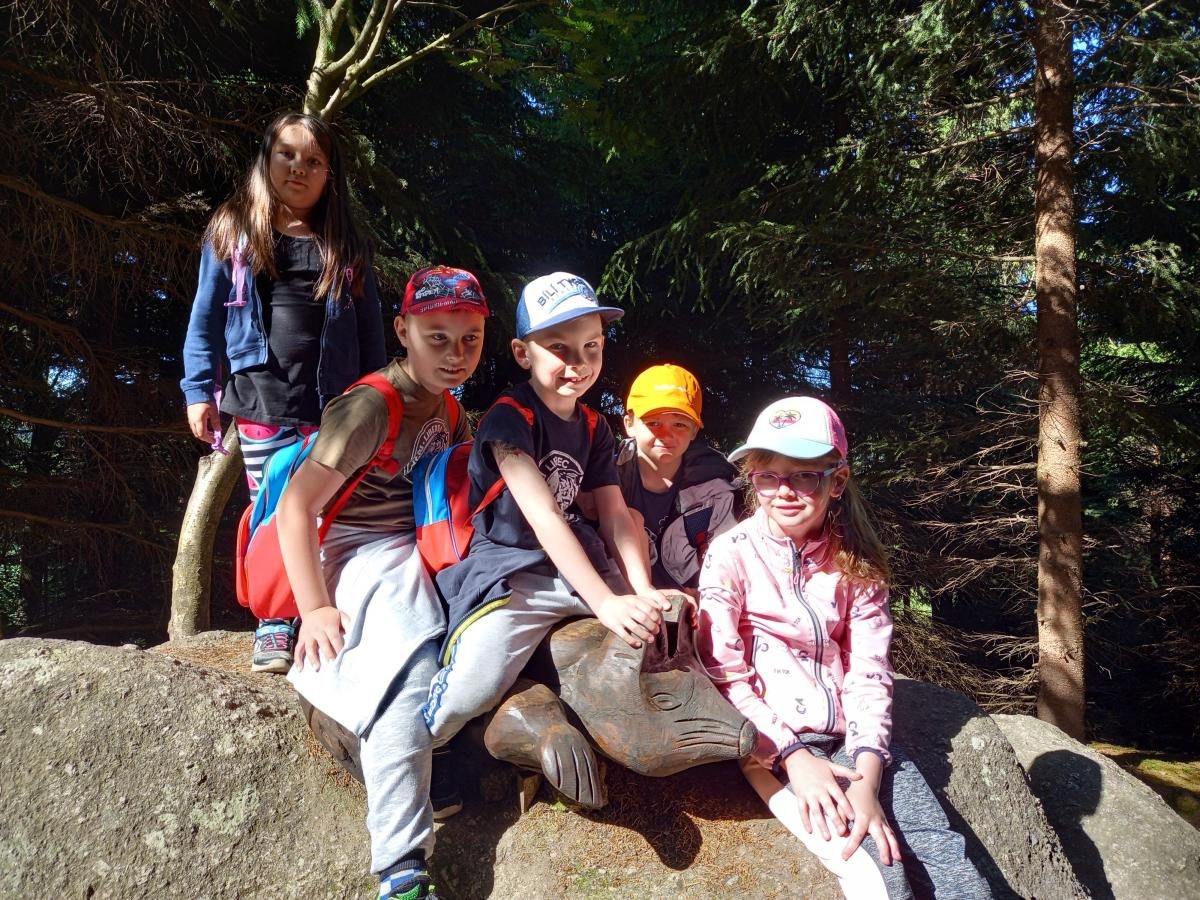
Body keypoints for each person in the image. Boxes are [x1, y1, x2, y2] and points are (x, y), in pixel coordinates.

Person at [696, 398, 991, 899]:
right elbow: (723, 672)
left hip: (855, 739)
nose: (784, 491)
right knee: (879, 871)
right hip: (777, 744)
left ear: (837, 481)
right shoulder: (731, 555)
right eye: (767, 476)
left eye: (805, 476)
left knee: (947, 862)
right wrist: (792, 757)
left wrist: (868, 777)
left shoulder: (857, 561)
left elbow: (869, 671)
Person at [422, 272, 671, 816]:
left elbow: (613, 512)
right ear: (522, 352)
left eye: (591, 347)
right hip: (513, 570)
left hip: (576, 562)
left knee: (653, 634)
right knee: (475, 683)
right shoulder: (508, 418)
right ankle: (426, 739)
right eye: (559, 348)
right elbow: (543, 517)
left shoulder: (594, 426)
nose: (578, 363)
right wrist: (605, 602)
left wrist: (641, 587)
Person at [278, 266, 488, 900]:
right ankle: (401, 867)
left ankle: (436, 754)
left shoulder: (450, 407)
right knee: (410, 667)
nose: (455, 354)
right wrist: (316, 608)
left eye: (470, 338)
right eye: (437, 336)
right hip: (357, 549)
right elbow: (296, 507)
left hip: (417, 543)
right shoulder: (370, 405)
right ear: (402, 330)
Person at [180, 111, 386, 674]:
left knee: (330, 506)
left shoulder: (346, 243)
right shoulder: (234, 231)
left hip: (337, 404)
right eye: (287, 155)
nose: (299, 168)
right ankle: (276, 616)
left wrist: (380, 399)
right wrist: (198, 390)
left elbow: (371, 331)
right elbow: (204, 319)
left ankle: (326, 608)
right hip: (261, 398)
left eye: (313, 160)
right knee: (272, 504)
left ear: (330, 175)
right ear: (266, 160)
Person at [614, 363, 741, 596]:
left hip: (694, 598)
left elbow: (729, 557)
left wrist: (707, 590)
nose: (666, 434)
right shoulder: (607, 479)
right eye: (653, 423)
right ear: (629, 424)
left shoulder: (716, 487)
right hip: (625, 597)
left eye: (680, 424)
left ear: (694, 431)